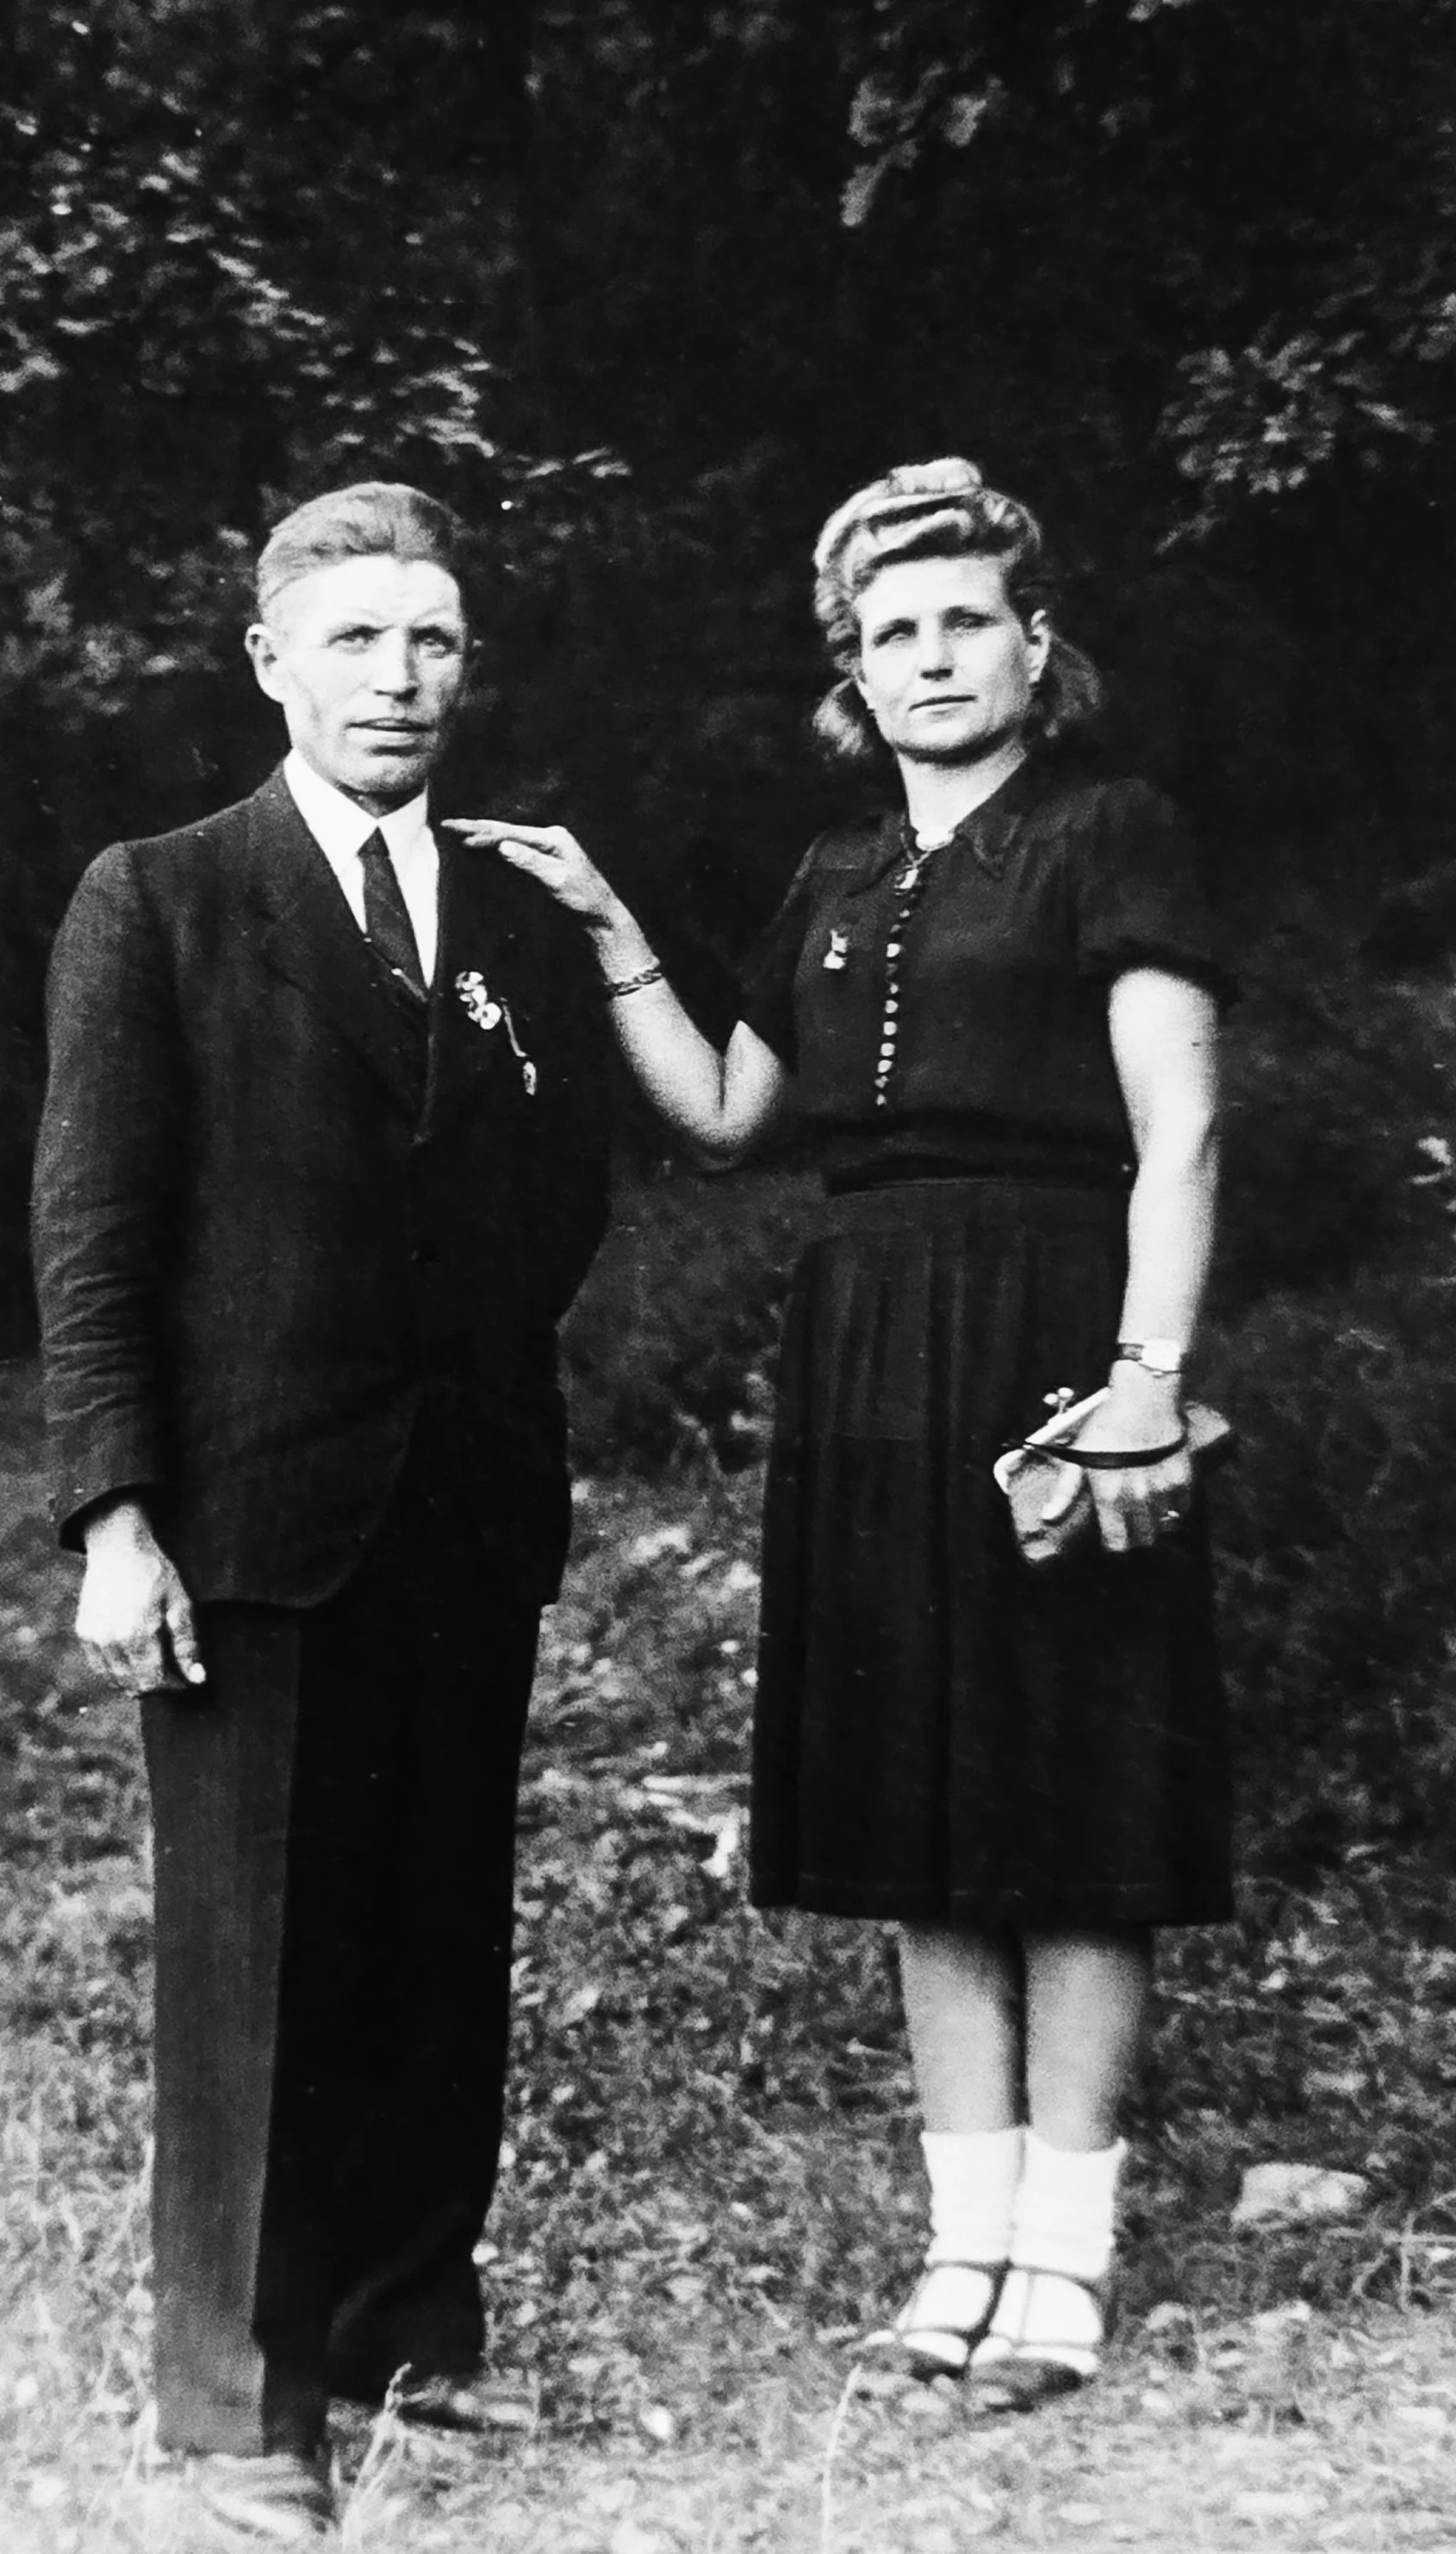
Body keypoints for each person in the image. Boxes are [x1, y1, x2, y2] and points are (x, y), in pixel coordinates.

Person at [452, 458, 1231, 2411]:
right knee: (915, 1813)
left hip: (1053, 1330)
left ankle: (1064, 2261)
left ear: (1035, 648)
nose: (931, 656)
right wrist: (603, 921)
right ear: (853, 676)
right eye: (894, 633)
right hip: (868, 1346)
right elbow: (732, 1118)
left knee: (1071, 1808)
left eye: (967, 621)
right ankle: (961, 2249)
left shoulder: (1110, 832)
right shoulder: (833, 872)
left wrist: (1145, 1377)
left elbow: (1182, 1129)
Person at [31, 483, 610, 2546]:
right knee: (256, 1966)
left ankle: (403, 2334)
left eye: (431, 640)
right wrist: (117, 1514)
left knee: (436, 1937)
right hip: (251, 1523)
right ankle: (237, 2410)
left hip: (464, 1511)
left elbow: (560, 1194)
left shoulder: (513, 911)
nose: (398, 678)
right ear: (269, 662)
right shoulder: (163, 897)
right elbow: (93, 1230)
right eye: (356, 640)